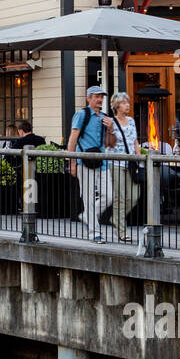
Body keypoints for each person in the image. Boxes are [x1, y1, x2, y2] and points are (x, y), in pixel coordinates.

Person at [66, 85, 110, 242]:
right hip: (84, 162)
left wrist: (111, 128)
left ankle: (87, 216)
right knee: (88, 197)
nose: (100, 99)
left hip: (102, 161)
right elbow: (73, 139)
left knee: (108, 196)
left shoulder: (104, 117)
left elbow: (108, 143)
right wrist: (72, 163)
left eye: (101, 97)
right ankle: (94, 233)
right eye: (96, 96)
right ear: (88, 98)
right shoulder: (81, 115)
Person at [103, 91, 142, 244]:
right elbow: (108, 143)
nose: (128, 105)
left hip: (131, 163)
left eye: (128, 102)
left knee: (134, 196)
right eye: (124, 103)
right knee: (119, 198)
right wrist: (111, 129)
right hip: (116, 163)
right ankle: (121, 231)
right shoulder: (111, 121)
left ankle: (115, 218)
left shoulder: (131, 121)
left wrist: (139, 159)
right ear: (117, 106)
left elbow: (135, 141)